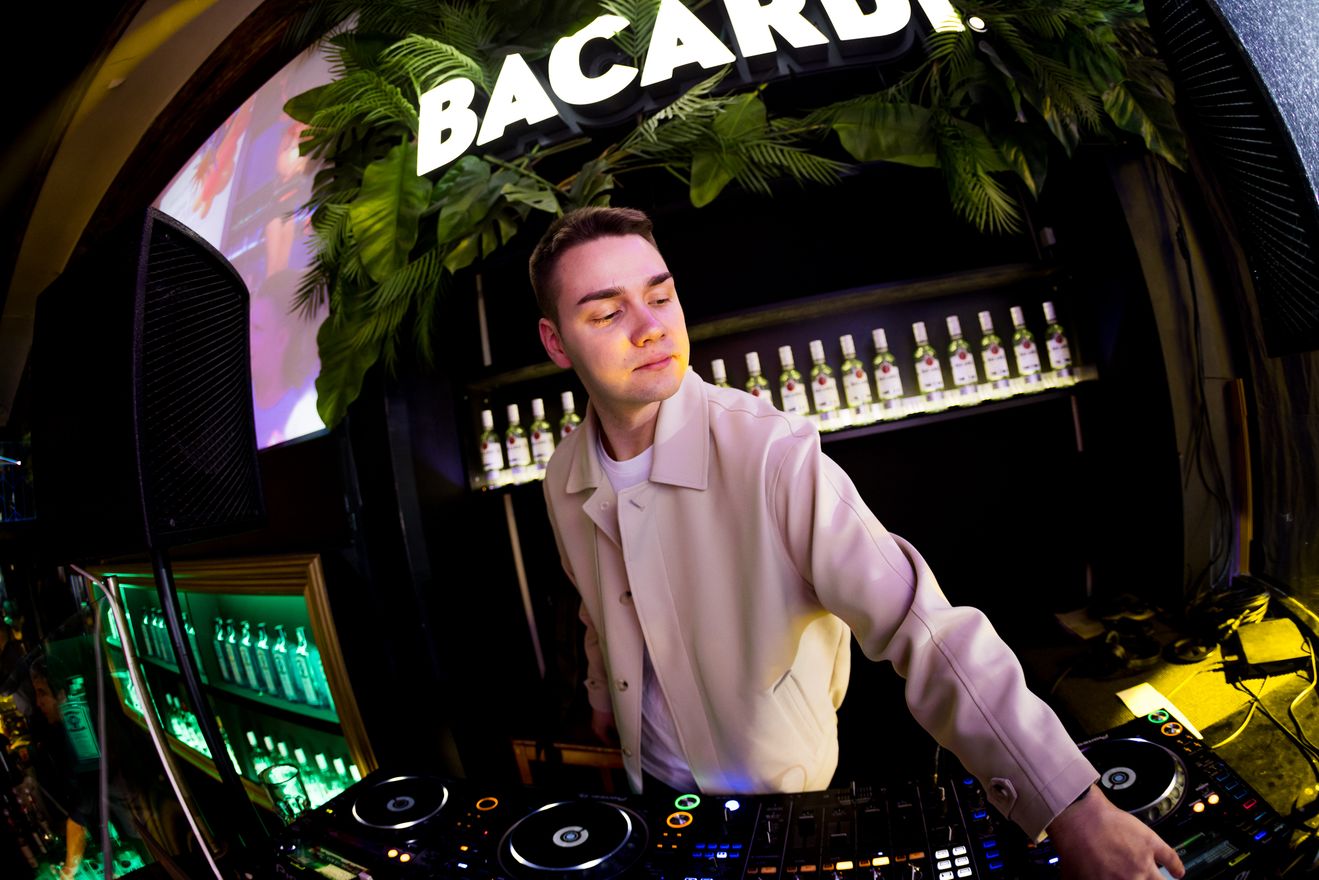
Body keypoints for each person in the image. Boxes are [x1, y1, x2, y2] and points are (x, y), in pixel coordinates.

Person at [528, 206, 1184, 880]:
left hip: (785, 805)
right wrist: (604, 700)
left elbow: (923, 628)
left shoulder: (771, 454)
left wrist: (1074, 808)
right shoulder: (562, 476)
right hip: (654, 794)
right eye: (607, 313)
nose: (651, 327)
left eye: (661, 296)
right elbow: (597, 607)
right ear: (556, 343)